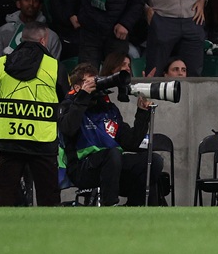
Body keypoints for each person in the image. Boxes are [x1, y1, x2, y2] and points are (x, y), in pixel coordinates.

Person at [58, 61, 162, 206]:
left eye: (96, 81)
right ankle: (110, 206)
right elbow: (68, 129)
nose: (95, 85)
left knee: (153, 161)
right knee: (112, 154)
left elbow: (131, 143)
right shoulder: (68, 106)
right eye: (90, 82)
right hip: (83, 168)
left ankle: (135, 208)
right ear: (77, 87)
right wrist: (83, 97)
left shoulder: (108, 108)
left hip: (113, 165)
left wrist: (142, 112)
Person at [0, 21, 66, 206]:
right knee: (48, 196)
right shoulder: (55, 66)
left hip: (10, 137)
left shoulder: (1, 63)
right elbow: (64, 97)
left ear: (21, 39)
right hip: (42, 139)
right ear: (43, 40)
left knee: (5, 193)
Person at [0, 0, 62, 64]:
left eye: (35, 0)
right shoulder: (2, 32)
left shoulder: (51, 36)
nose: (31, 3)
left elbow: (54, 66)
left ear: (40, 6)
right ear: (18, 3)